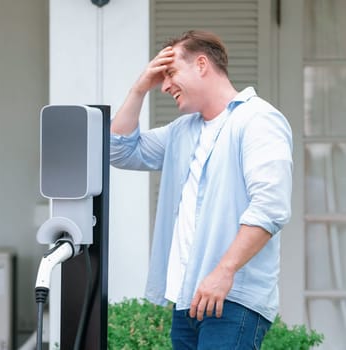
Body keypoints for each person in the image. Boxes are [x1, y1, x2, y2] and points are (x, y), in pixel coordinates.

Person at [110, 30, 292, 349]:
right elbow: (119, 151)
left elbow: (270, 208)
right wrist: (140, 87)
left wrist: (224, 272)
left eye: (170, 74)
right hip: (188, 300)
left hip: (233, 298)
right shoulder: (182, 131)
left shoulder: (258, 120)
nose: (164, 86)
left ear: (202, 64)